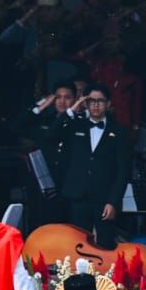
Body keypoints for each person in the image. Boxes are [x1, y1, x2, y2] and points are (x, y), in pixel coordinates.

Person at [54, 84, 130, 249]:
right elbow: (52, 134)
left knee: (105, 245)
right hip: (77, 196)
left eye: (100, 101)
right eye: (92, 101)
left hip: (104, 198)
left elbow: (123, 171)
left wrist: (113, 202)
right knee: (77, 245)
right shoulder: (75, 125)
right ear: (86, 103)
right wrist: (72, 109)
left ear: (108, 103)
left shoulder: (119, 132)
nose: (96, 105)